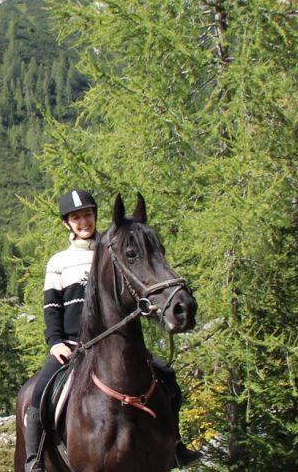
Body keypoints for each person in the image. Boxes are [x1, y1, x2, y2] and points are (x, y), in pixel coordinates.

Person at [22, 189, 200, 472]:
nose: (84, 222)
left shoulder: (112, 248)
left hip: (117, 341)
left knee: (166, 374)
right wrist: (55, 342)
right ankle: (34, 459)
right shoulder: (59, 262)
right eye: (76, 217)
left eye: (88, 215)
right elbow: (51, 308)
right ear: (66, 223)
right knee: (37, 393)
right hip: (71, 345)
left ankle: (175, 444)